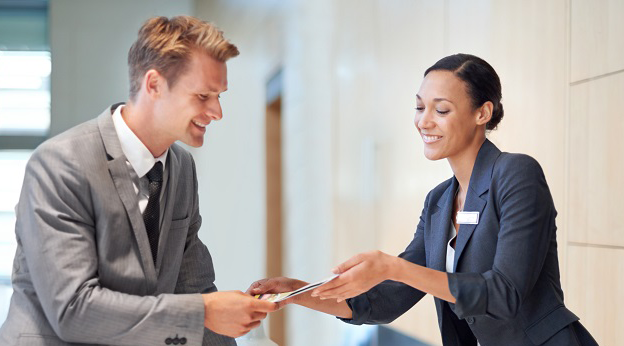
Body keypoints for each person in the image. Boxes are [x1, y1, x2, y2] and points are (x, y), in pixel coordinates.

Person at [249, 54, 598, 346]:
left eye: (441, 110)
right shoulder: (438, 202)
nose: (423, 121)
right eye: (419, 107)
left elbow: (503, 295)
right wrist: (296, 291)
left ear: (483, 113)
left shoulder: (515, 173)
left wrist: (392, 266)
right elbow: (384, 300)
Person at [0, 16, 276, 346]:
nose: (217, 112)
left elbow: (194, 289)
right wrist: (203, 311)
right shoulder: (60, 164)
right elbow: (73, 311)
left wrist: (219, 317)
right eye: (202, 95)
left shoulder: (181, 168)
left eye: (219, 96)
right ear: (153, 85)